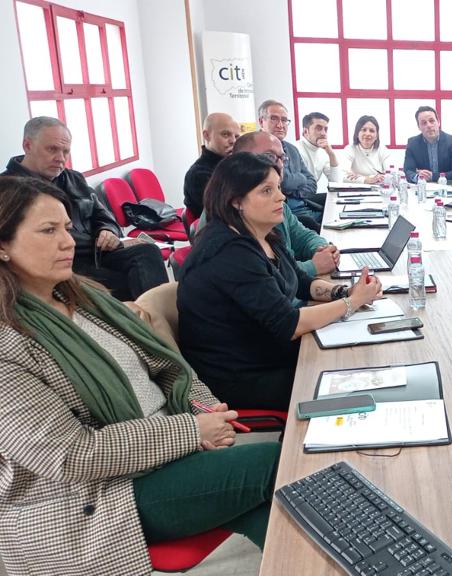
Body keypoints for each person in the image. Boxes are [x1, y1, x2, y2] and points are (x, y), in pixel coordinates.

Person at [0, 176, 279, 575]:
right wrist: (191, 430)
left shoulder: (83, 298)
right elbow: (70, 455)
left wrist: (202, 407)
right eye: (48, 231)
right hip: (86, 500)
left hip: (158, 456)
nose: (67, 241)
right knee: (273, 466)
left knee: (278, 505)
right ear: (3, 246)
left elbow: (167, 368)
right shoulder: (7, 345)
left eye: (66, 227)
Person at [177, 153, 381, 410]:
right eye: (266, 191)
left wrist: (345, 291)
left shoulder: (263, 234)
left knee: (357, 358)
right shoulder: (229, 253)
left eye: (278, 188)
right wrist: (352, 302)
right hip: (242, 375)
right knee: (351, 378)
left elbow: (301, 281)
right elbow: (289, 324)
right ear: (236, 201)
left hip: (268, 352)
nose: (281, 197)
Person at [2, 117, 166, 300]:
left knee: (148, 253)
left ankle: (157, 319)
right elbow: (37, 240)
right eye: (52, 149)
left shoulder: (73, 178)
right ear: (27, 145)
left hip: (98, 254)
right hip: (65, 264)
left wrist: (107, 230)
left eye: (66, 151)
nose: (60, 159)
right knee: (129, 282)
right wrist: (108, 243)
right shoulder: (9, 189)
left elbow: (102, 213)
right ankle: (148, 322)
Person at [231, 131, 339, 277]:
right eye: (269, 156)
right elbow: (265, 275)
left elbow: (303, 236)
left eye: (282, 158)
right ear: (240, 160)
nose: (279, 164)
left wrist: (323, 249)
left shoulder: (277, 203)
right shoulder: (231, 212)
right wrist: (313, 266)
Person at [258, 99, 322, 226]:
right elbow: (283, 181)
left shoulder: (292, 149)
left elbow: (312, 182)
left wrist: (295, 192)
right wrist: (300, 179)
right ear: (261, 121)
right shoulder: (257, 148)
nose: (280, 125)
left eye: (284, 120)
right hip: (287, 213)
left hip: (304, 205)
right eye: (274, 119)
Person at [183, 112, 240, 219]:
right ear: (207, 135)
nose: (233, 141)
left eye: (236, 136)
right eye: (225, 134)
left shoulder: (234, 165)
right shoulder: (199, 175)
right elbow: (227, 214)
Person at [403, 106, 452, 183]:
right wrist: (418, 177)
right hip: (423, 187)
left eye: (431, 121)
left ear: (438, 122)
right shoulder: (412, 143)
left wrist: (432, 176)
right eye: (424, 123)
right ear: (419, 127)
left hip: (448, 188)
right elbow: (408, 171)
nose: (429, 125)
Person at [296, 111, 342, 193]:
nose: (324, 133)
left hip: (310, 195)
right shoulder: (295, 149)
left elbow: (337, 183)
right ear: (306, 131)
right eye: (319, 128)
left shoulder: (323, 151)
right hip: (297, 197)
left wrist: (331, 154)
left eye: (326, 129)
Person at [341, 115, 391, 184]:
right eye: (364, 130)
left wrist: (359, 177)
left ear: (376, 136)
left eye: (372, 131)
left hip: (378, 190)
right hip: (356, 190)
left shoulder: (383, 150)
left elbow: (390, 175)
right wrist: (366, 179)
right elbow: (342, 176)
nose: (367, 134)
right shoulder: (349, 149)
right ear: (357, 133)